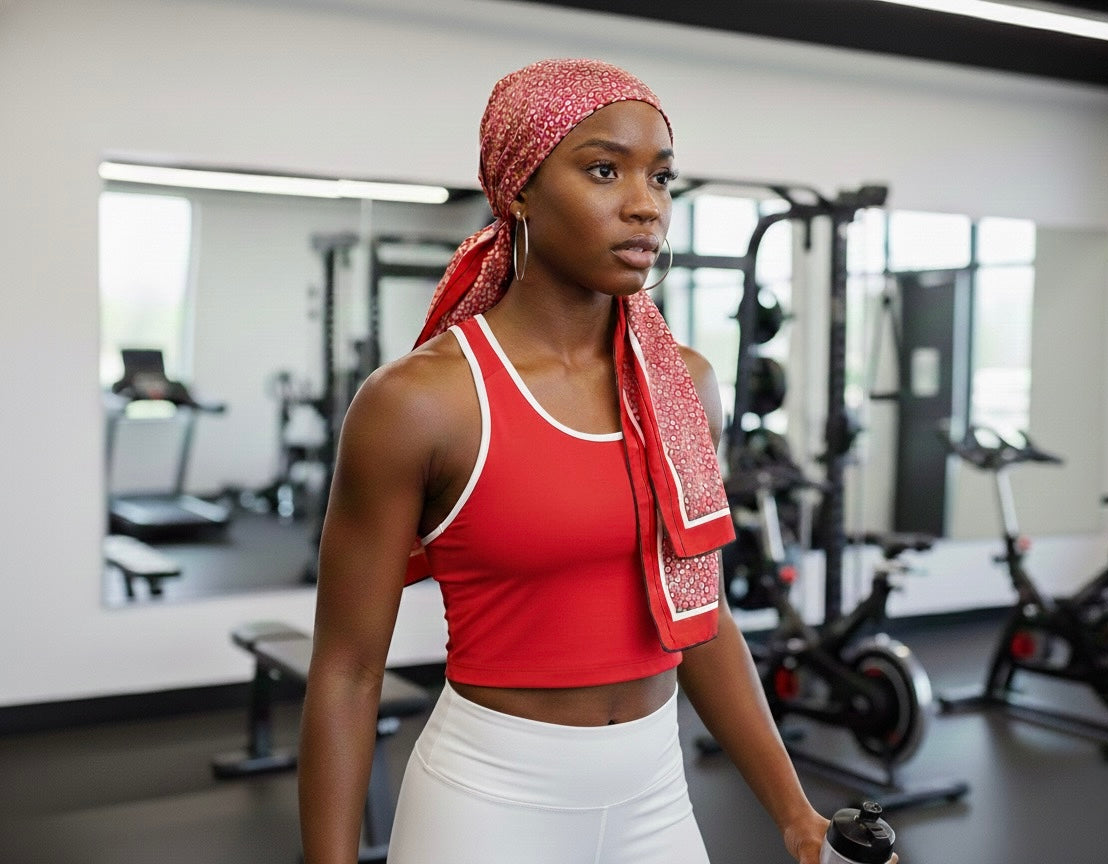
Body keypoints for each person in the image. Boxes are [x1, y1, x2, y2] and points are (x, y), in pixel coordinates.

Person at [298, 58, 863, 864]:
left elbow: (699, 619)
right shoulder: (419, 403)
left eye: (661, 177)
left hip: (656, 796)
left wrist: (796, 813)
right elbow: (349, 672)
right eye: (604, 170)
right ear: (519, 188)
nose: (645, 206)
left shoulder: (684, 387)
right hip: (487, 805)